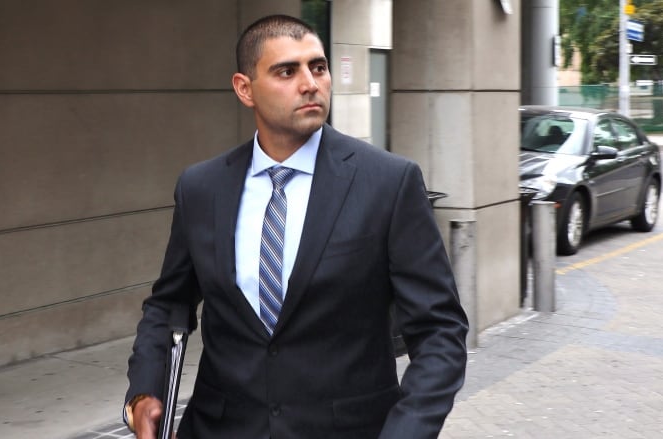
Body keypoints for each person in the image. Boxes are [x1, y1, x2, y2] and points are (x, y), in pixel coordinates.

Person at [123, 14, 468, 439]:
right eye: (287, 71)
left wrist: (406, 431)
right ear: (244, 88)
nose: (310, 83)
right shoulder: (201, 187)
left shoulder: (388, 183)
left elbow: (440, 331)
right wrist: (144, 391)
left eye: (318, 67)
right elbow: (168, 304)